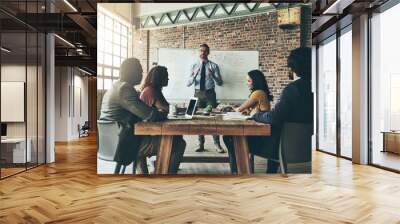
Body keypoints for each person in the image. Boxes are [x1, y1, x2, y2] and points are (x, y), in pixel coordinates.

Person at [223, 47, 313, 174]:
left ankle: (238, 174)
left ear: (295, 67)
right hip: (309, 147)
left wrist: (256, 115)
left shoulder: (293, 90)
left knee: (230, 137)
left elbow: (273, 118)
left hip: (280, 147)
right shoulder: (319, 86)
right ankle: (270, 172)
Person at [99, 58, 169, 174]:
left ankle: (145, 176)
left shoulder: (115, 87)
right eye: (140, 71)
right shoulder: (124, 89)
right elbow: (150, 114)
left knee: (147, 139)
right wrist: (165, 113)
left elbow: (140, 110)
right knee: (176, 144)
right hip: (122, 144)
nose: (142, 75)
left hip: (110, 143)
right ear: (131, 72)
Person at [139, 66, 186, 173]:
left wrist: (179, 109)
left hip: (150, 131)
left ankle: (163, 167)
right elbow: (167, 108)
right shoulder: (151, 91)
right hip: (147, 135)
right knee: (180, 143)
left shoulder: (154, 90)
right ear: (160, 78)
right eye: (166, 77)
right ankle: (167, 173)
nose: (168, 79)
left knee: (178, 136)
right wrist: (182, 109)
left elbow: (166, 108)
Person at [187, 43, 224, 153]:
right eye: (201, 51)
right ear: (199, 52)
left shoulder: (214, 66)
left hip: (210, 94)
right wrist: (194, 76)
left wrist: (213, 76)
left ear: (208, 53)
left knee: (213, 119)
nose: (202, 53)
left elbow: (220, 83)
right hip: (198, 94)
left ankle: (217, 144)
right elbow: (188, 84)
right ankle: (200, 144)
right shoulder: (193, 66)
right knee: (198, 119)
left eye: (205, 51)